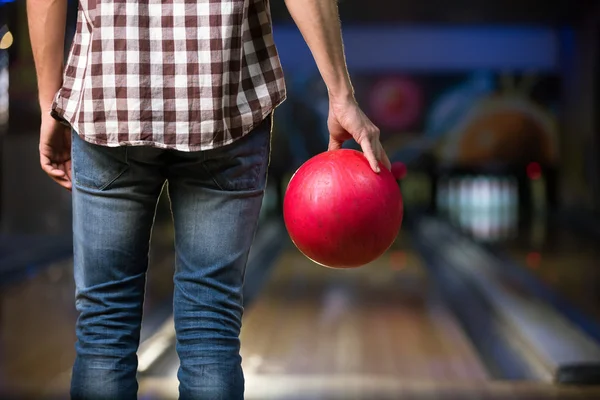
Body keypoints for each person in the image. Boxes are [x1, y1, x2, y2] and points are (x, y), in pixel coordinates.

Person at [26, 0, 391, 398]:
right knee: (210, 328)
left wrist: (51, 101)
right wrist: (341, 94)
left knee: (104, 328)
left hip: (110, 98)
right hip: (226, 101)